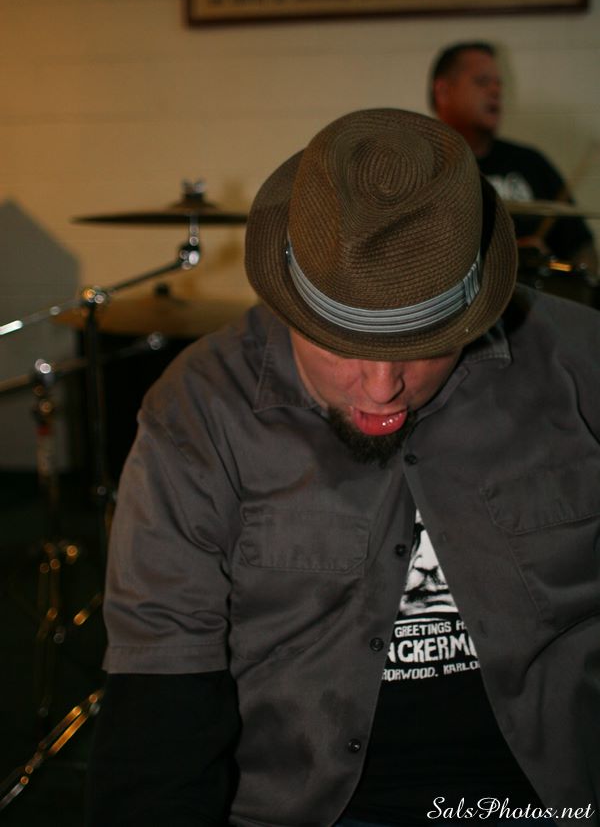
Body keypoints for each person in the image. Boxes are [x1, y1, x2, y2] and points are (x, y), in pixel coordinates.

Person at [85, 109, 600, 827]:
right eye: (344, 345)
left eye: (424, 346)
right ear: (291, 305)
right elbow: (162, 696)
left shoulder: (580, 365)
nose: (383, 388)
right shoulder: (199, 412)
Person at [429, 41, 598, 274]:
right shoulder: (418, 168)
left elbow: (582, 249)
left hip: (531, 295)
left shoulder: (530, 163)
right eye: (482, 82)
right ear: (443, 91)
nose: (496, 91)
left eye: (499, 84)